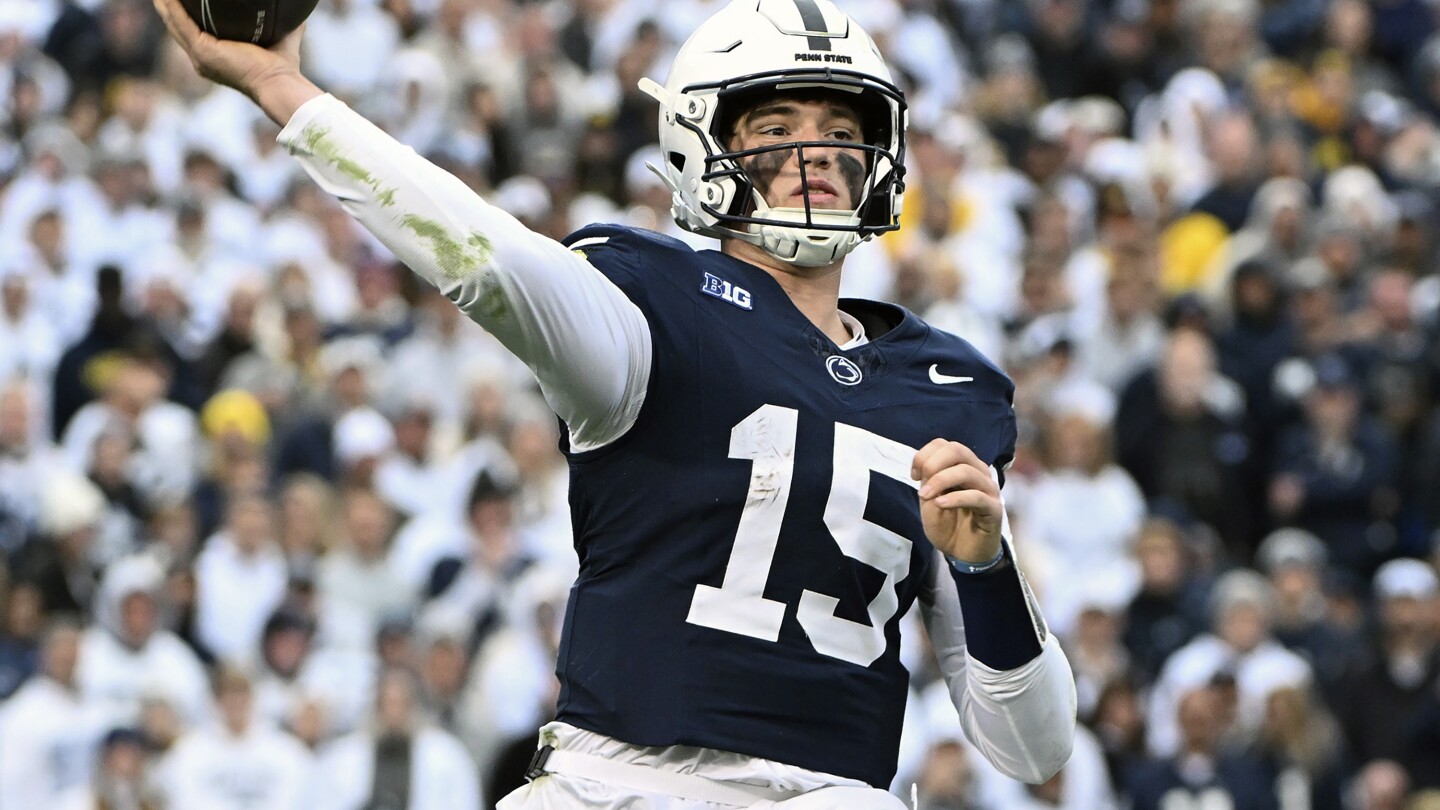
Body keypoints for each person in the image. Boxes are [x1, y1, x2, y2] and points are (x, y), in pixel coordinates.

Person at [152, 0, 1077, 805]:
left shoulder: (947, 387)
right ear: (704, 141)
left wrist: (988, 569)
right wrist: (288, 96)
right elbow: (484, 257)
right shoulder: (650, 305)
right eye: (777, 124)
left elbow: (1032, 749)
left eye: (843, 128)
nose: (819, 153)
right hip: (619, 786)